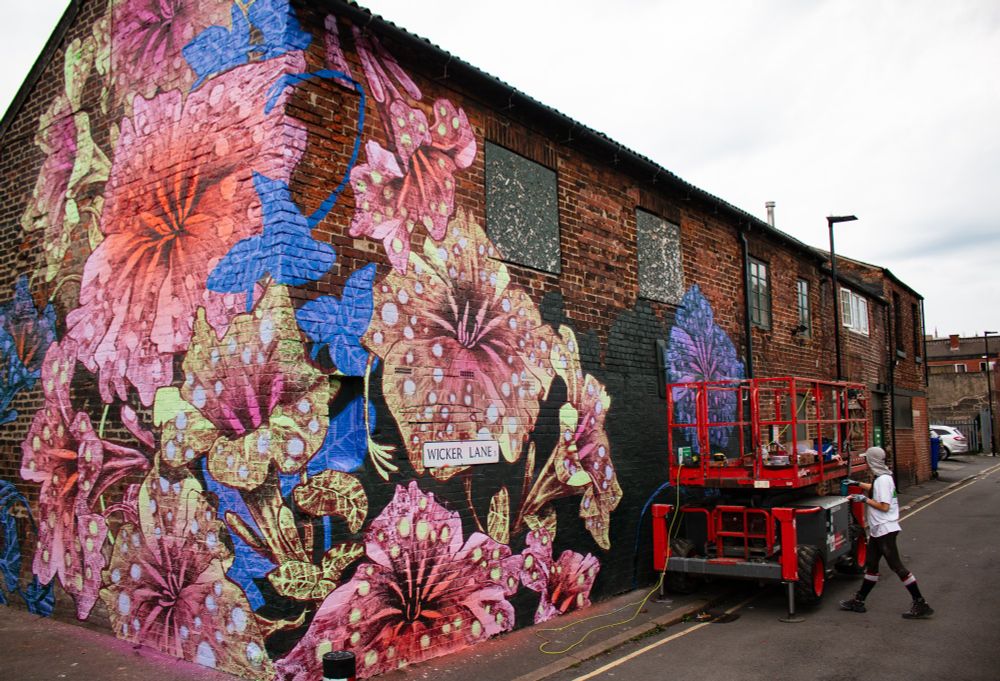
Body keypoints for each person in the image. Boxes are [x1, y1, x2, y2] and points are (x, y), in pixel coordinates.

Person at [839, 446, 934, 619]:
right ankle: (859, 601)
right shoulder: (883, 477)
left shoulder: (882, 480)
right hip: (878, 530)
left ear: (872, 460)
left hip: (884, 529)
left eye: (867, 459)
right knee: (872, 565)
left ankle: (920, 602)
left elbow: (884, 506)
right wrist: (857, 484)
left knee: (897, 566)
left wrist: (864, 499)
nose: (866, 461)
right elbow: (875, 488)